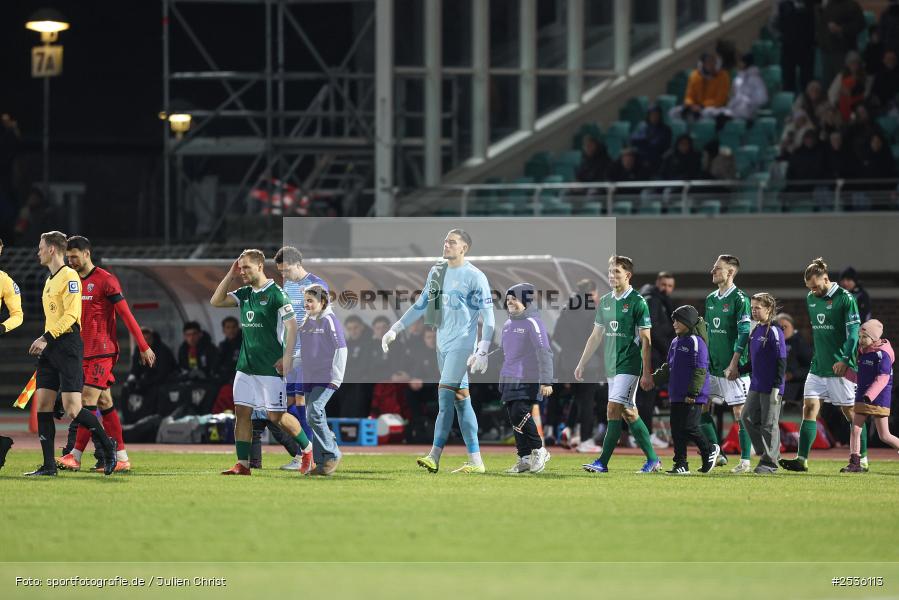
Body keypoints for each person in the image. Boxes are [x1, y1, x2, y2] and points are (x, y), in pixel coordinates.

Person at [382, 229, 495, 474]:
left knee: (444, 398)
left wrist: (483, 348)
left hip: (462, 344)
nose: (446, 245)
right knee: (461, 401)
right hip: (442, 343)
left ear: (464, 248)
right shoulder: (437, 271)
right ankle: (476, 461)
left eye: (452, 242)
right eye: (445, 241)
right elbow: (421, 304)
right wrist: (396, 328)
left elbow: (489, 316)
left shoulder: (475, 276)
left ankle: (434, 456)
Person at [56, 235, 156, 473]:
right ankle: (121, 457)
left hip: (102, 352)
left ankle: (75, 456)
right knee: (105, 402)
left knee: (87, 401)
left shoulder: (105, 280)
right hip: (81, 352)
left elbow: (126, 315)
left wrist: (143, 345)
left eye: (74, 257)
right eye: (68, 258)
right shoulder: (71, 281)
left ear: (86, 254)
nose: (71, 262)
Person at [210, 249, 313, 476]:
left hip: (270, 367)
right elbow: (216, 301)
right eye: (240, 268)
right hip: (245, 367)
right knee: (242, 413)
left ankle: (308, 451)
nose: (242, 272)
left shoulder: (277, 294)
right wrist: (230, 274)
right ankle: (243, 464)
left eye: (246, 267)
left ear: (259, 266)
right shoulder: (245, 293)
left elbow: (292, 327)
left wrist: (287, 357)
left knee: (276, 417)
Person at [25, 231, 117, 476]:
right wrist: (46, 342)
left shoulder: (69, 276)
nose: (38, 252)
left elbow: (71, 316)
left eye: (41, 247)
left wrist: (45, 338)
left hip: (67, 345)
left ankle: (108, 448)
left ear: (52, 249)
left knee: (73, 408)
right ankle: (49, 465)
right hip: (50, 347)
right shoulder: (49, 279)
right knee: (43, 405)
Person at [576, 255, 660, 474]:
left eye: (617, 272)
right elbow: (596, 336)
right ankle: (653, 460)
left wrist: (646, 372)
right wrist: (582, 363)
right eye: (610, 272)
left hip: (629, 365)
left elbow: (646, 340)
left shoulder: (638, 302)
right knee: (629, 413)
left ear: (628, 275)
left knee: (612, 409)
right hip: (611, 366)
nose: (612, 276)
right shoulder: (605, 301)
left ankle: (602, 462)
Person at [780, 258, 864, 473]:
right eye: (809, 288)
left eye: (816, 286)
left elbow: (854, 333)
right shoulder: (811, 298)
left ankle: (862, 458)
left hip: (841, 367)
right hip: (818, 367)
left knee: (850, 413)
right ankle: (802, 459)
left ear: (826, 279)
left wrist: (845, 359)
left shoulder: (845, 298)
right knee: (809, 409)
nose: (813, 291)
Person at [651, 305, 719, 474]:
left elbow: (700, 369)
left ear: (687, 322)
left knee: (690, 427)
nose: (674, 324)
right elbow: (669, 366)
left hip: (692, 395)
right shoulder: (675, 341)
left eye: (678, 320)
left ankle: (710, 449)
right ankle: (681, 464)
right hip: (676, 393)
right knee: (676, 430)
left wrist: (693, 392)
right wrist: (653, 379)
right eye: (674, 320)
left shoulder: (696, 341)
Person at [274, 245, 328, 445]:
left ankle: (310, 452)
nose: (284, 275)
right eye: (281, 272)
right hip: (290, 352)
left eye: (287, 270)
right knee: (287, 405)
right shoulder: (287, 286)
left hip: (308, 354)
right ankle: (310, 447)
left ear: (298, 264)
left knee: (301, 401)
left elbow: (322, 319)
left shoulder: (317, 284)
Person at [703, 255, 752, 472]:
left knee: (739, 413)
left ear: (730, 272)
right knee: (701, 407)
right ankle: (718, 453)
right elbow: (707, 332)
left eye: (717, 268)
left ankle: (745, 461)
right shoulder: (710, 299)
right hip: (712, 366)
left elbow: (744, 334)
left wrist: (734, 364)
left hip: (732, 368)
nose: (712, 271)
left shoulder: (740, 299)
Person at [500, 284, 553, 474]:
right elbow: (506, 351)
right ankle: (524, 458)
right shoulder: (507, 324)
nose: (510, 302)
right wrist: (480, 355)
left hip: (527, 377)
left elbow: (544, 352)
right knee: (514, 417)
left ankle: (539, 449)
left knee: (519, 412)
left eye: (514, 299)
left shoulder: (533, 322)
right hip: (509, 377)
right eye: (508, 299)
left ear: (525, 301)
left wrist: (546, 381)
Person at [299, 284, 347, 475]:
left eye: (310, 301)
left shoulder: (329, 321)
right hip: (309, 377)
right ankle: (322, 463)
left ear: (323, 302)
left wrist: (337, 377)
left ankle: (332, 452)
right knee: (313, 417)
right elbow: (306, 352)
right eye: (305, 301)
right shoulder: (306, 322)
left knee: (314, 412)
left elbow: (341, 349)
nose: (307, 304)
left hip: (326, 376)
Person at [549, 279, 600, 450]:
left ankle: (569, 431)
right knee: (587, 401)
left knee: (577, 398)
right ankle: (585, 440)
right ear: (592, 293)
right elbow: (597, 338)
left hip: (568, 361)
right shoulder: (593, 310)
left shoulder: (567, 309)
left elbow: (556, 336)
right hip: (588, 362)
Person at [842, 320, 898, 472]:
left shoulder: (883, 353)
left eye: (864, 337)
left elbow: (883, 378)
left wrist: (869, 395)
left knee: (884, 435)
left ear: (874, 337)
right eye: (860, 336)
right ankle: (855, 463)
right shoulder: (863, 352)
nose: (861, 340)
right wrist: (845, 372)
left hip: (878, 398)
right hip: (863, 395)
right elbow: (860, 377)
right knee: (855, 429)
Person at [742, 293, 787, 474]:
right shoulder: (755, 330)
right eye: (752, 308)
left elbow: (781, 360)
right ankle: (766, 452)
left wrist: (777, 386)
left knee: (769, 424)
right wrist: (738, 369)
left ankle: (770, 463)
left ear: (768, 309)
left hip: (771, 386)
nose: (754, 311)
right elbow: (754, 360)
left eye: (757, 308)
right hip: (756, 384)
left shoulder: (775, 331)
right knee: (746, 416)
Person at [637, 272, 676, 442]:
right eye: (664, 285)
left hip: (650, 354)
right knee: (647, 396)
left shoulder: (656, 300)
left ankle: (636, 434)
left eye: (670, 286)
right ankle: (646, 435)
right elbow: (652, 330)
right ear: (657, 283)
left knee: (643, 396)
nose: (666, 289)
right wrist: (669, 351)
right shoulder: (652, 300)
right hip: (650, 355)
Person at [816, 0, 866, 87]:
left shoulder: (851, 5)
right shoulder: (828, 5)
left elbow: (860, 24)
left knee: (842, 84)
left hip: (843, 52)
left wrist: (841, 29)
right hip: (826, 51)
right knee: (828, 84)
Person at [672, 53, 731, 122]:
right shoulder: (694, 75)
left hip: (712, 108)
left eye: (713, 62)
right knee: (674, 112)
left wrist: (702, 106)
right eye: (707, 62)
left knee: (709, 113)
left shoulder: (723, 76)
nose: (710, 65)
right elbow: (689, 96)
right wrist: (690, 105)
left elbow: (720, 100)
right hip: (694, 107)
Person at [773, 0, 817, 93]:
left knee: (807, 80)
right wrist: (781, 37)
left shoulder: (810, 4)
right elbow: (774, 25)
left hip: (806, 49)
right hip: (788, 50)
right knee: (788, 81)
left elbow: (815, 25)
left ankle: (806, 100)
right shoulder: (783, 6)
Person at [718, 53, 769, 121]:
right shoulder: (738, 78)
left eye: (740, 62)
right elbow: (733, 95)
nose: (738, 64)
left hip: (748, 110)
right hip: (734, 108)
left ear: (745, 63)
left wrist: (748, 103)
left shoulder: (756, 79)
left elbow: (762, 98)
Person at [126, 326, 175, 396]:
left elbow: (163, 374)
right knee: (127, 389)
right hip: (146, 381)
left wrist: (146, 382)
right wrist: (131, 379)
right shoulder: (138, 350)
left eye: (148, 339)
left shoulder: (162, 351)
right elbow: (135, 368)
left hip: (163, 382)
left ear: (152, 338)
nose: (146, 342)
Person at [776, 313, 812, 403]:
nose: (782, 330)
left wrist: (792, 375)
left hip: (793, 386)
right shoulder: (771, 344)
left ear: (792, 327)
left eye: (785, 326)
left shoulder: (800, 344)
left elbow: (810, 368)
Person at [629, 105, 672, 175]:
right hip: (642, 157)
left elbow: (660, 145)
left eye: (656, 114)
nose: (654, 117)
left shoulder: (666, 129)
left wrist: (645, 142)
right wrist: (646, 139)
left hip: (657, 158)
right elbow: (633, 140)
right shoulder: (643, 127)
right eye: (652, 114)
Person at [827, 51, 868, 121]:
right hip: (843, 105)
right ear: (848, 64)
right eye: (852, 63)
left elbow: (866, 93)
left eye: (856, 63)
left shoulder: (863, 76)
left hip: (858, 104)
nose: (854, 65)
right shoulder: (841, 76)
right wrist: (835, 104)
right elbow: (832, 92)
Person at [217, 316, 242, 380]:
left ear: (238, 328)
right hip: (225, 379)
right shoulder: (222, 346)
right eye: (228, 327)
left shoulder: (244, 344)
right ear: (223, 330)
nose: (231, 330)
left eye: (234, 327)